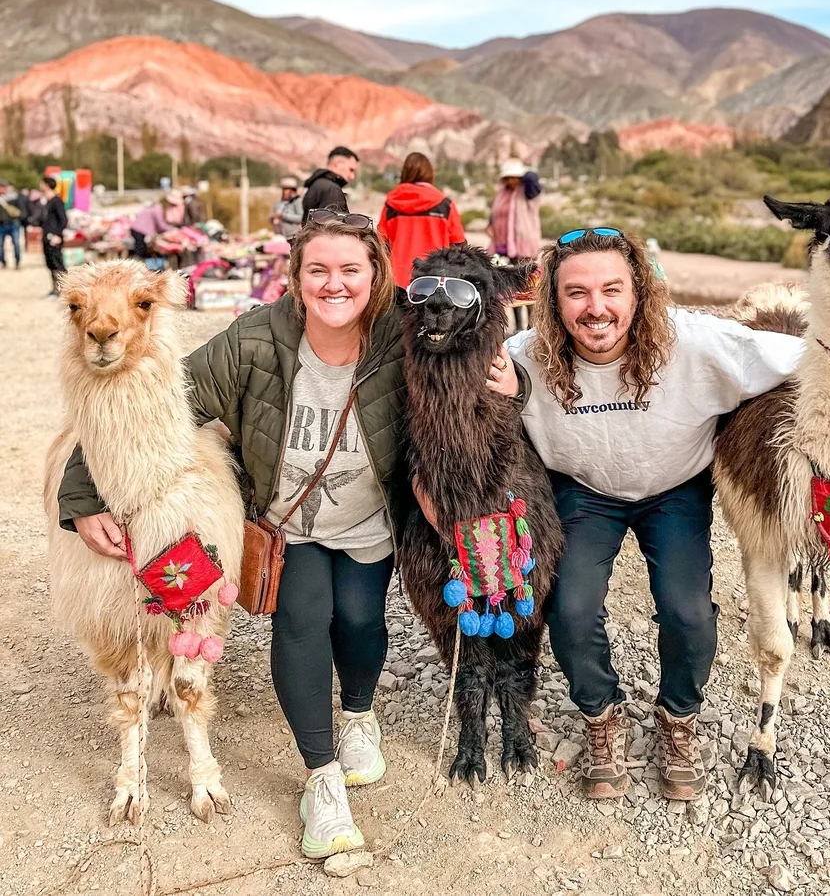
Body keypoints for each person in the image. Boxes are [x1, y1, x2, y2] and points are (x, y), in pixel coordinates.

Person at [58, 211, 511, 858]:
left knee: (359, 621)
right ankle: (321, 780)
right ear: (295, 278)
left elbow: (471, 388)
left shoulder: (401, 334)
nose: (334, 284)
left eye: (350, 270)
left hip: (366, 522)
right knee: (302, 624)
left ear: (375, 275)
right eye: (318, 270)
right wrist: (79, 496)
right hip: (287, 523)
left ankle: (359, 712)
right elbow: (147, 407)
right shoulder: (254, 339)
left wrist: (512, 390)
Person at [492, 227, 811, 802]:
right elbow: (444, 393)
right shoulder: (523, 359)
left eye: (612, 289)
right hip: (586, 491)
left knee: (688, 612)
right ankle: (601, 717)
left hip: (675, 488)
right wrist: (503, 397)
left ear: (639, 291)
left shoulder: (699, 342)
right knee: (569, 606)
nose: (596, 308)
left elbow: (818, 361)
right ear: (553, 301)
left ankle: (678, 718)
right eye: (577, 293)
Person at [377, 152, 465, 287]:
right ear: (429, 173)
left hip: (398, 281)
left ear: (405, 172)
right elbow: (460, 245)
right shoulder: (445, 204)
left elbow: (381, 244)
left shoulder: (391, 205)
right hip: (436, 280)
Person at [487, 157, 543, 262]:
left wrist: (522, 169)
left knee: (524, 274)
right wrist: (490, 223)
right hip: (502, 243)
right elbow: (496, 210)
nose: (510, 181)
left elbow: (531, 177)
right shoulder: (503, 192)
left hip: (523, 243)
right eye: (507, 178)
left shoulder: (528, 190)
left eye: (514, 177)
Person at [302, 146, 359, 224]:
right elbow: (334, 231)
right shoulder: (332, 190)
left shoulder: (317, 183)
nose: (352, 177)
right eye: (351, 170)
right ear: (338, 164)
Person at [39, 175, 68, 296]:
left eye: (42, 183)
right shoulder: (47, 201)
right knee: (50, 264)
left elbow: (63, 220)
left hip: (54, 239)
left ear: (46, 185)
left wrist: (57, 235)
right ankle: (55, 289)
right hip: (46, 237)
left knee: (58, 264)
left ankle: (64, 290)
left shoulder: (57, 201)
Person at [129, 193, 178, 260]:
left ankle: (138, 263)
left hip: (136, 228)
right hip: (140, 230)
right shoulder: (158, 208)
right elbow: (160, 224)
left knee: (141, 248)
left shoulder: (155, 207)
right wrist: (172, 229)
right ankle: (137, 265)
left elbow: (157, 225)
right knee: (141, 250)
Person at [0, 181, 23, 269]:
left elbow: (20, 210)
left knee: (16, 244)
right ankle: (3, 261)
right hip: (1, 224)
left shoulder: (13, 197)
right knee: (0, 246)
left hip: (13, 223)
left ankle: (17, 261)